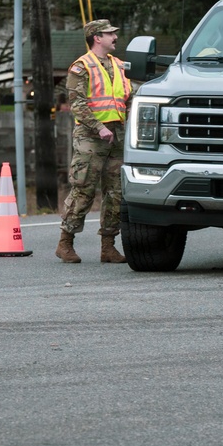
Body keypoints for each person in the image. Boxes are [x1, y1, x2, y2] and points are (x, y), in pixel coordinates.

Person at [56, 19, 133, 264]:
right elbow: (77, 104)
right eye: (110, 33)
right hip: (91, 137)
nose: (115, 37)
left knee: (116, 193)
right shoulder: (81, 66)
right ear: (96, 37)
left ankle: (108, 247)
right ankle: (65, 243)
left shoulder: (120, 66)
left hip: (117, 136)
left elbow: (128, 98)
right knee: (84, 189)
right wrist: (98, 127)